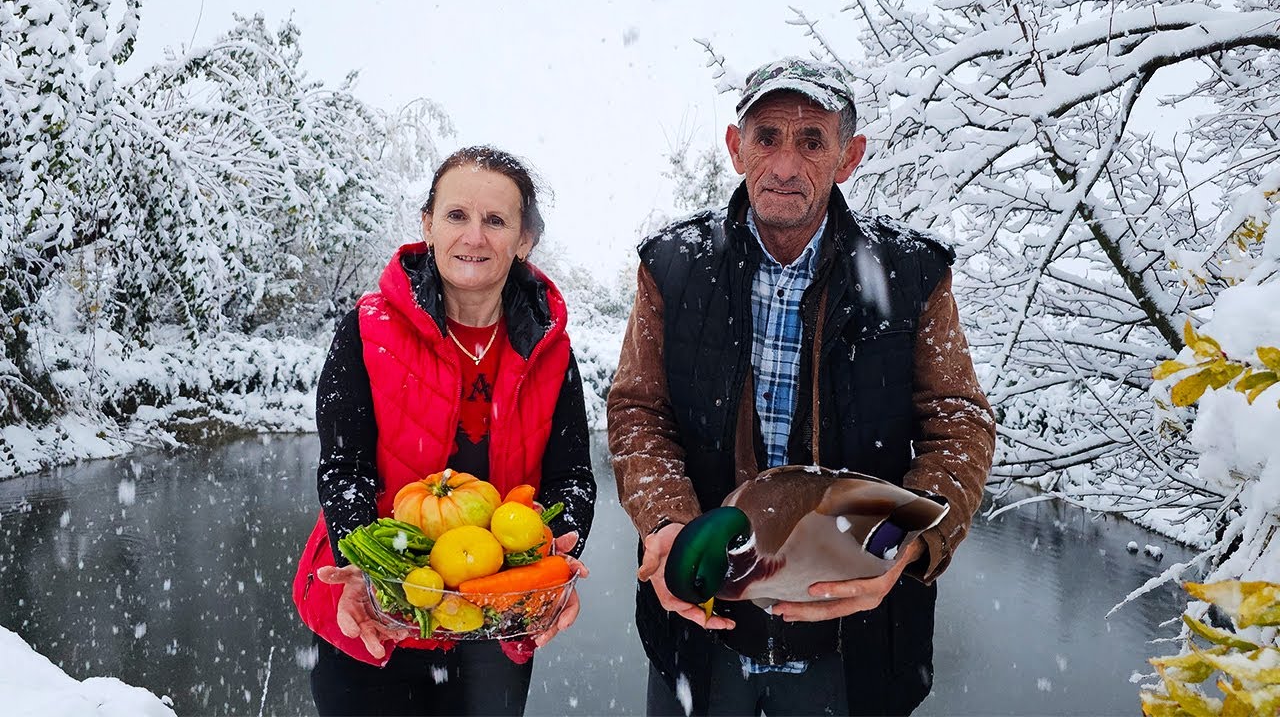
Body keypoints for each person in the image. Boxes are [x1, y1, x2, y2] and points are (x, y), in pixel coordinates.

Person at [607, 58, 997, 716]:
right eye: (767, 137)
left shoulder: (910, 273)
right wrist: (667, 523)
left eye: (812, 140)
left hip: (856, 640)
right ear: (737, 148)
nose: (785, 165)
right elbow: (639, 410)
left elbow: (959, 422)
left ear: (849, 157)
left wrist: (904, 543)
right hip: (699, 627)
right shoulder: (672, 266)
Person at [291, 146, 597, 716]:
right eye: (457, 215)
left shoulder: (551, 351)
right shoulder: (366, 329)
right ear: (428, 224)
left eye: (496, 220)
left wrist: (553, 560)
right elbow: (344, 469)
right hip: (375, 616)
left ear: (524, 240)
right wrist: (370, 568)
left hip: (493, 623)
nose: (473, 237)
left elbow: (572, 479)